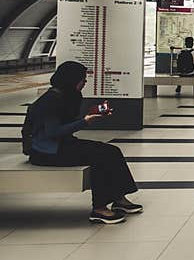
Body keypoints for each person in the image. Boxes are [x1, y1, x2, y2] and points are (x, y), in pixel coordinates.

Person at [24, 61, 141, 224]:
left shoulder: (67, 96)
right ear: (71, 80)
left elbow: (64, 126)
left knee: (112, 151)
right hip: (45, 152)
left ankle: (118, 197)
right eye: (82, 78)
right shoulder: (50, 100)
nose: (84, 82)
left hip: (60, 145)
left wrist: (91, 114)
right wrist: (84, 121)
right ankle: (99, 208)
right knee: (99, 157)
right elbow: (53, 132)